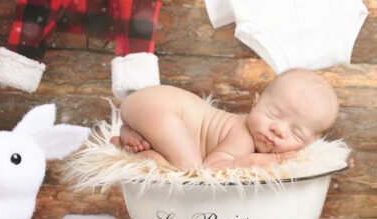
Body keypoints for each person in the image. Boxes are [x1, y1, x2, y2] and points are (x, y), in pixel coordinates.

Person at [113, 69, 339, 169]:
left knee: (174, 159)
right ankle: (137, 148)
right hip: (162, 106)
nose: (278, 130)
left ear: (308, 144)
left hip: (149, 106)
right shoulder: (243, 137)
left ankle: (132, 135)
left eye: (296, 132)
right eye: (273, 114)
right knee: (189, 171)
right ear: (255, 103)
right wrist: (261, 162)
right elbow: (212, 169)